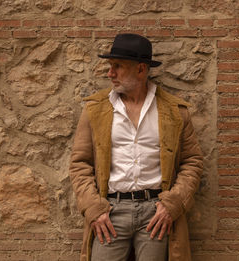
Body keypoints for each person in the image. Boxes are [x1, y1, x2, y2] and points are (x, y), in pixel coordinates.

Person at [69, 33, 203, 261]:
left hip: (156, 213)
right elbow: (79, 163)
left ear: (141, 69)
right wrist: (93, 208)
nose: (110, 73)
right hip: (110, 212)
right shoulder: (95, 109)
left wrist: (173, 204)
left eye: (118, 66)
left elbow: (192, 162)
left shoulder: (174, 111)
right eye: (110, 66)